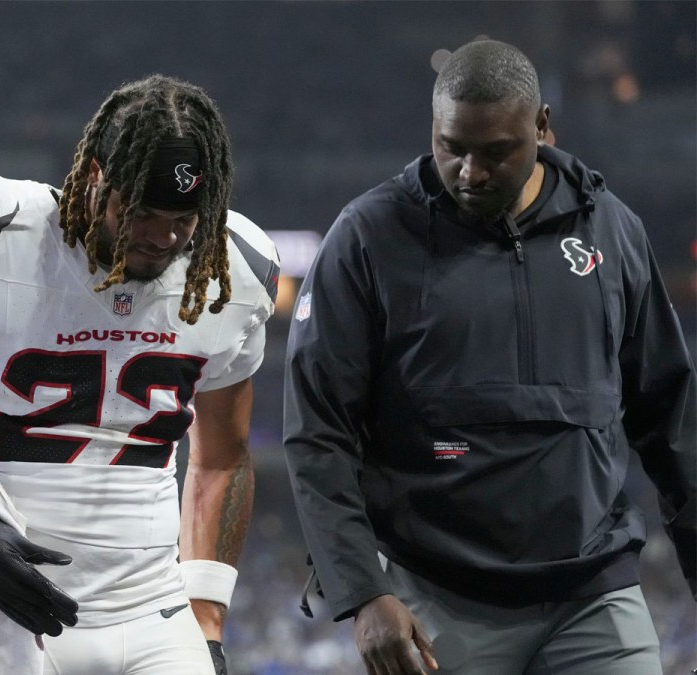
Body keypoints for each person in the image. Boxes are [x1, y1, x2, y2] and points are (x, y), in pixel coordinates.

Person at [283, 39, 695, 675]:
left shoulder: (611, 231)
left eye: (496, 151)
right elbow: (319, 433)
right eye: (452, 147)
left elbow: (671, 421)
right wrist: (362, 591)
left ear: (542, 126)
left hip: (594, 595)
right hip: (435, 600)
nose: (470, 172)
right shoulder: (368, 237)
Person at [0, 74, 279, 675]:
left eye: (184, 217)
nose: (165, 236)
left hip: (156, 611)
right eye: (143, 212)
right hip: (6, 609)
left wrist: (206, 615)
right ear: (95, 177)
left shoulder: (232, 270)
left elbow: (221, 458)